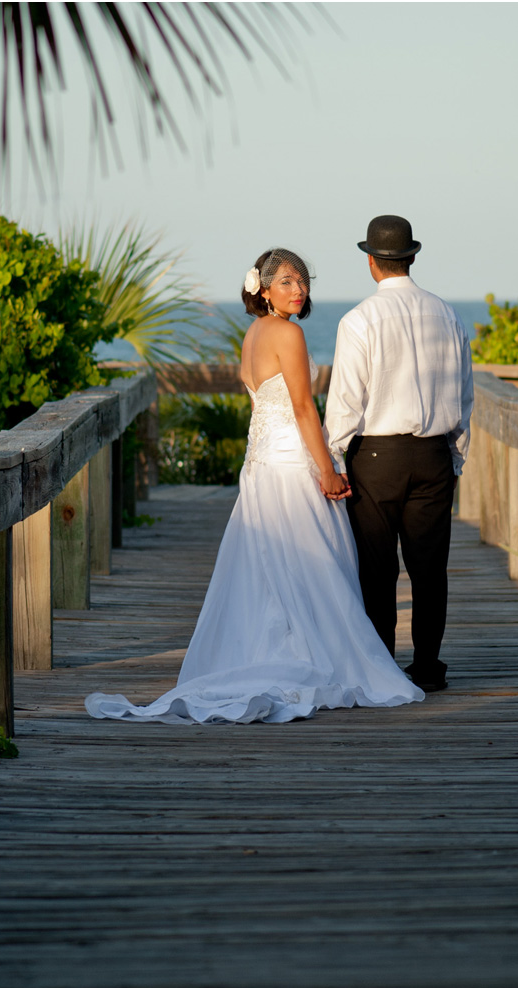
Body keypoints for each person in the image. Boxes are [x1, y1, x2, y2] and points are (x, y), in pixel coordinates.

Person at [85, 247, 423, 724]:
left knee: (269, 570)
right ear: (262, 289)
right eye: (286, 281)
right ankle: (316, 655)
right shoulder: (289, 333)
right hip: (290, 466)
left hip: (260, 466)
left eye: (303, 281)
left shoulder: (253, 334)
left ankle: (272, 649)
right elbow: (304, 409)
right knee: (313, 564)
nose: (299, 289)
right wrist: (326, 467)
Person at [323, 216, 474, 693]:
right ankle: (428, 667)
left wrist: (333, 459)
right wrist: (454, 456)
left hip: (376, 459)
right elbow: (464, 395)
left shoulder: (359, 320)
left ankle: (381, 668)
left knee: (378, 568)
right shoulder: (448, 315)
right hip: (432, 454)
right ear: (412, 257)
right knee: (430, 569)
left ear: (372, 261)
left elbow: (346, 401)